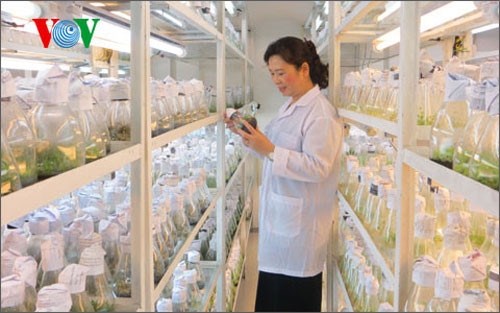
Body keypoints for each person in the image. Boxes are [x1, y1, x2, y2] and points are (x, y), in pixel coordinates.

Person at [224, 36, 343, 312]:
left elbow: (319, 167)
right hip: (281, 228)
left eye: (281, 73)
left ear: (304, 69)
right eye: (272, 74)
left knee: (292, 301)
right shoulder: (290, 105)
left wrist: (271, 150)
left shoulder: (321, 114)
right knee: (272, 300)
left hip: (299, 235)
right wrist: (249, 137)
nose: (276, 80)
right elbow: (272, 153)